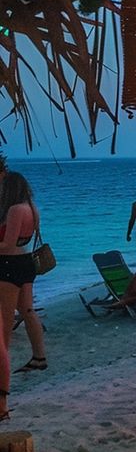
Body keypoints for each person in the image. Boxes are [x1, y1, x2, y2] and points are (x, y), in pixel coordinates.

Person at [0, 172, 48, 420]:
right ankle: (39, 355)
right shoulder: (32, 208)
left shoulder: (14, 210)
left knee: (5, 322)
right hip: (27, 263)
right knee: (28, 310)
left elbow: (8, 244)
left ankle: (2, 371)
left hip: (9, 265)